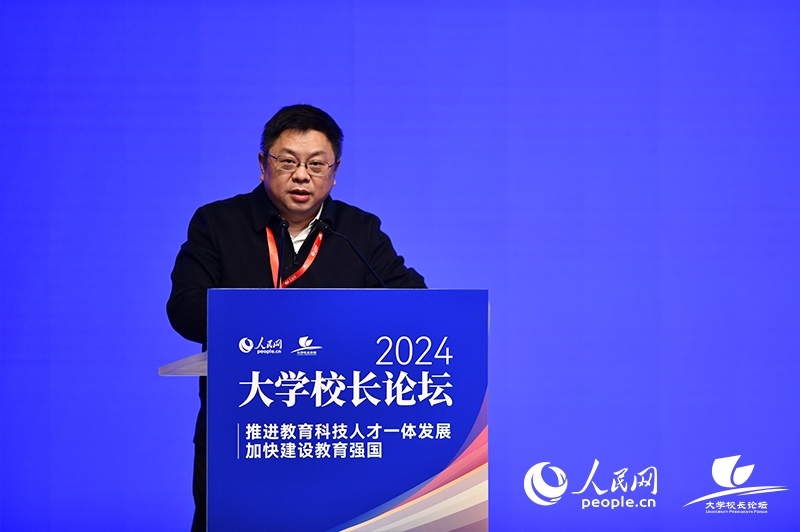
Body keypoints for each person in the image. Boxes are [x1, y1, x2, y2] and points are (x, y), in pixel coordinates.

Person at [166, 104, 425, 531]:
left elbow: (415, 304)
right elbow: (185, 309)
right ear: (263, 164)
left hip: (333, 435)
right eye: (288, 161)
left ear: (334, 172)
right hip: (241, 431)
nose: (302, 175)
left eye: (316, 164)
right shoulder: (217, 223)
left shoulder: (359, 231)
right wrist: (266, 322)